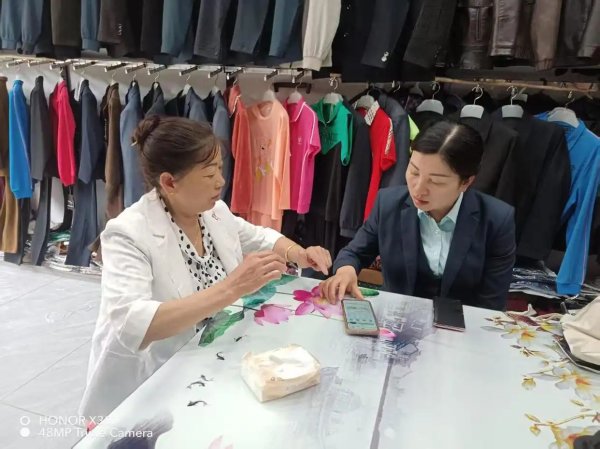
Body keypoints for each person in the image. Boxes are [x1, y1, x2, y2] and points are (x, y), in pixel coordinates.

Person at [79, 116, 332, 420]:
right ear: (169, 182)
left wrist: (299, 253)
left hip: (210, 359)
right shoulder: (127, 233)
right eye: (210, 173)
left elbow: (258, 236)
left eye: (220, 170)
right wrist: (233, 287)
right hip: (151, 379)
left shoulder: (213, 212)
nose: (221, 182)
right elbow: (134, 323)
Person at [321, 121, 516, 310]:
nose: (418, 189)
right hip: (396, 317)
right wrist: (346, 270)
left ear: (466, 182)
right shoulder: (388, 204)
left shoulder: (496, 220)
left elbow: (491, 304)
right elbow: (354, 253)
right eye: (414, 172)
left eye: (436, 181)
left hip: (463, 325)